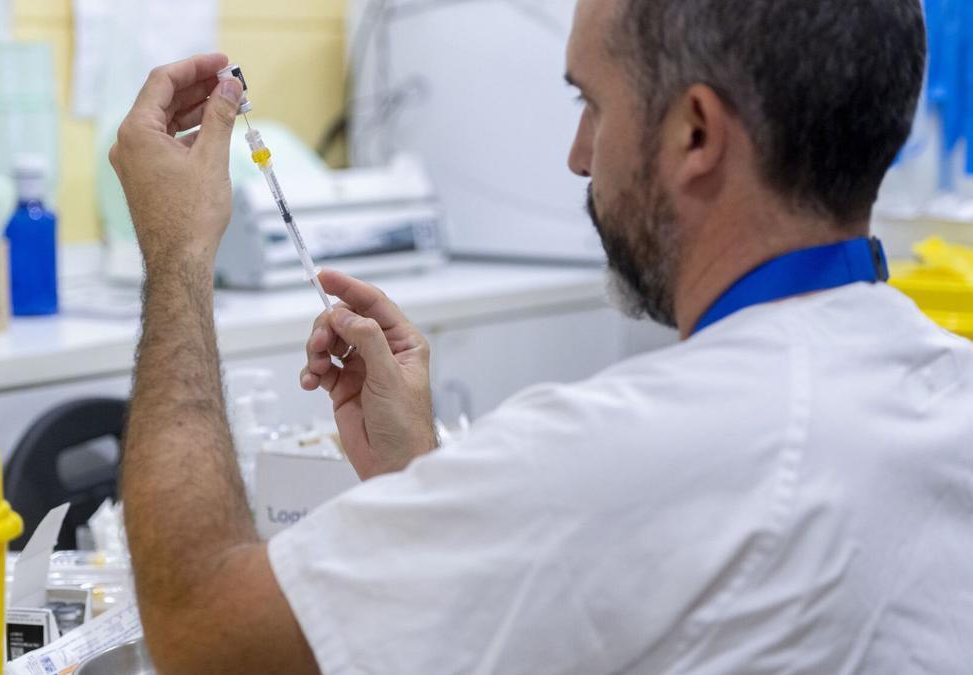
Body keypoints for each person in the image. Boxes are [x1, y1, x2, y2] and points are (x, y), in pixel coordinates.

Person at [111, 0, 973, 672]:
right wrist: (423, 479)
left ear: (696, 133)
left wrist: (177, 254)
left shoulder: (625, 450)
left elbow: (205, 634)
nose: (578, 154)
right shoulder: (947, 391)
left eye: (592, 103)